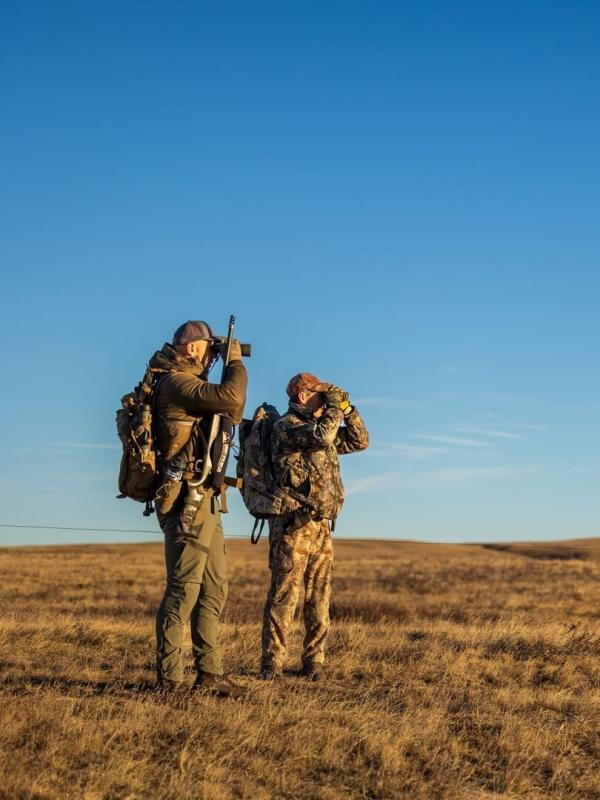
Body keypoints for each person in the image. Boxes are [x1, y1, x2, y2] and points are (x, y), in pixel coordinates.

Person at [148, 320, 247, 696]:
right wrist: (235, 362)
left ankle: (210, 674)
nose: (213, 352)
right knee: (183, 589)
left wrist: (226, 362)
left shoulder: (190, 381)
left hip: (205, 494)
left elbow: (227, 412)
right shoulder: (176, 383)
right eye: (209, 346)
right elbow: (231, 398)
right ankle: (170, 679)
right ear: (191, 348)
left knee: (213, 588)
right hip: (186, 496)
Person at [260, 373, 369, 681]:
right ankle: (272, 664)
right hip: (292, 526)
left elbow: (360, 441)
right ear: (305, 397)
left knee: (319, 596)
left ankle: (313, 662)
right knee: (285, 595)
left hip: (321, 526)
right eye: (322, 398)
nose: (326, 405)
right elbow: (322, 436)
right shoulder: (288, 427)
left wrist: (347, 408)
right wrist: (334, 404)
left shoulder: (323, 427)